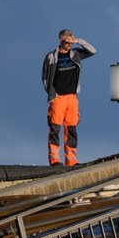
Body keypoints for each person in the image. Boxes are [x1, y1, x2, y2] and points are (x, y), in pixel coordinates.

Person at [41, 29, 96, 167]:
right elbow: (45, 78)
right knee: (55, 129)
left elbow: (93, 50)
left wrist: (78, 40)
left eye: (71, 41)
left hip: (72, 97)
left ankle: (71, 160)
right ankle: (54, 160)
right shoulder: (51, 57)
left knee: (71, 129)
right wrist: (53, 95)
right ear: (61, 40)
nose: (69, 44)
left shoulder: (76, 53)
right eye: (67, 41)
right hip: (58, 98)